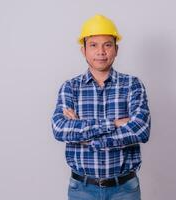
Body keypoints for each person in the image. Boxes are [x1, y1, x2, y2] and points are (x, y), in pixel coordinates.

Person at [51, 14, 151, 200]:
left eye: (107, 44)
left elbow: (141, 129)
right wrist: (114, 123)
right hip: (82, 189)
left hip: (124, 189)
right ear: (84, 50)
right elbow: (60, 129)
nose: (101, 51)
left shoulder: (132, 85)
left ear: (116, 49)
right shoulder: (70, 87)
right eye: (94, 45)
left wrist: (90, 139)